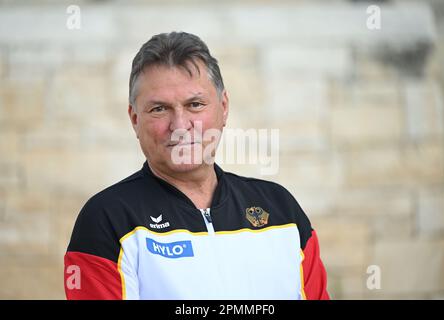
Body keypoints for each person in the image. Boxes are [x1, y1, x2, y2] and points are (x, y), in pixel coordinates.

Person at [64, 31, 330, 300]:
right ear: (134, 119)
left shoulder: (282, 211)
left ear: (223, 107)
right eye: (159, 109)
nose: (180, 126)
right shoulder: (107, 219)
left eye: (195, 104)